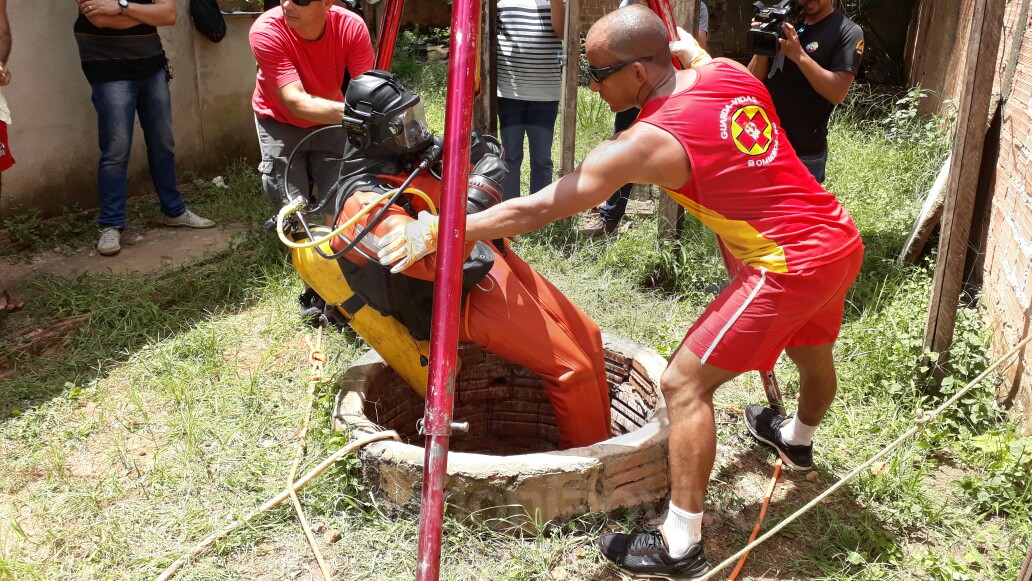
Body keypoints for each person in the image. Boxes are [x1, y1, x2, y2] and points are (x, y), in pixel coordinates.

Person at [377, 6, 863, 577]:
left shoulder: (644, 143)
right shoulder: (728, 72)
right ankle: (797, 442)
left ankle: (680, 543)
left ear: (637, 72)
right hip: (836, 240)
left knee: (684, 384)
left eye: (597, 73)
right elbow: (686, 52)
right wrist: (676, 47)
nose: (590, 86)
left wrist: (443, 228)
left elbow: (539, 207)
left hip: (783, 265)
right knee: (813, 353)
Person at [320, 71, 612, 449]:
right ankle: (588, 477)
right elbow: (423, 262)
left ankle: (605, 446)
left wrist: (482, 169)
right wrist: (474, 201)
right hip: (454, 294)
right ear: (373, 135)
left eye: (415, 115)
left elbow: (482, 147)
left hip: (481, 259)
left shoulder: (408, 156)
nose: (416, 130)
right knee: (573, 371)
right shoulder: (364, 201)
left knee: (589, 337)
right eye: (401, 124)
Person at [74, 0, 215, 257]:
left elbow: (169, 14)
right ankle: (111, 224)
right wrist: (147, 14)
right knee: (116, 150)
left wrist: (120, 7)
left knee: (163, 143)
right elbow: (99, 20)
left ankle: (174, 211)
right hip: (107, 70)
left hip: (152, 66)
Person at [586, 1, 709, 236]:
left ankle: (676, 232)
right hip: (633, 89)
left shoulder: (693, 7)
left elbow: (698, 45)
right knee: (624, 149)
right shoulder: (629, 3)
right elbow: (617, 42)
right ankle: (610, 217)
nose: (593, 87)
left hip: (672, 93)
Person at [249, 0, 374, 217]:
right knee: (292, 208)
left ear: (327, 3)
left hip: (331, 120)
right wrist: (363, 116)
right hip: (279, 119)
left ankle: (335, 248)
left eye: (301, 0)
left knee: (338, 201)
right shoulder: (266, 30)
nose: (287, 5)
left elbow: (367, 92)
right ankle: (298, 245)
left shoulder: (351, 26)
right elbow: (296, 101)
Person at [747, 0, 863, 183]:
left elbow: (837, 92)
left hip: (804, 155)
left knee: (798, 212)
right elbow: (751, 82)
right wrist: (763, 40)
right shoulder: (787, 19)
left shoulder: (847, 32)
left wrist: (798, 55)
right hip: (763, 144)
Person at [496, 0, 565, 200]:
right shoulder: (501, 2)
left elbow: (562, 33)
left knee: (542, 157)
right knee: (510, 155)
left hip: (545, 93)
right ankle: (510, 208)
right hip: (509, 92)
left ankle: (538, 210)